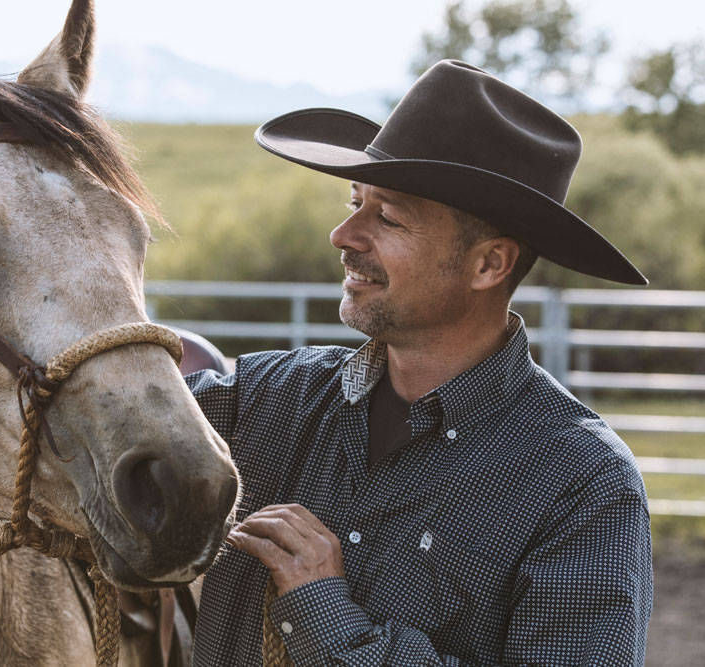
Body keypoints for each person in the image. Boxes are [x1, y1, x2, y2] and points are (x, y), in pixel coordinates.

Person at [185, 60, 653, 666]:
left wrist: (323, 608)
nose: (343, 233)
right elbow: (76, 420)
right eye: (356, 201)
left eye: (388, 216)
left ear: (489, 265)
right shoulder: (267, 399)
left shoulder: (582, 484)